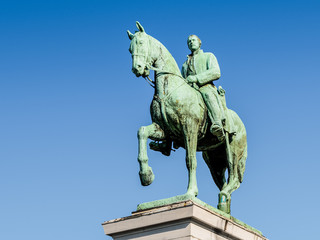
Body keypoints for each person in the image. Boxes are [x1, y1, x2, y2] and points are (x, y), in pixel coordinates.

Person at [182, 35, 225, 141]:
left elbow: (216, 72)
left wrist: (197, 78)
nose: (191, 42)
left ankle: (217, 123)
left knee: (207, 94)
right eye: (189, 42)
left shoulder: (208, 56)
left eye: (193, 40)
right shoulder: (184, 65)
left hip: (205, 87)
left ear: (199, 43)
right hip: (190, 90)